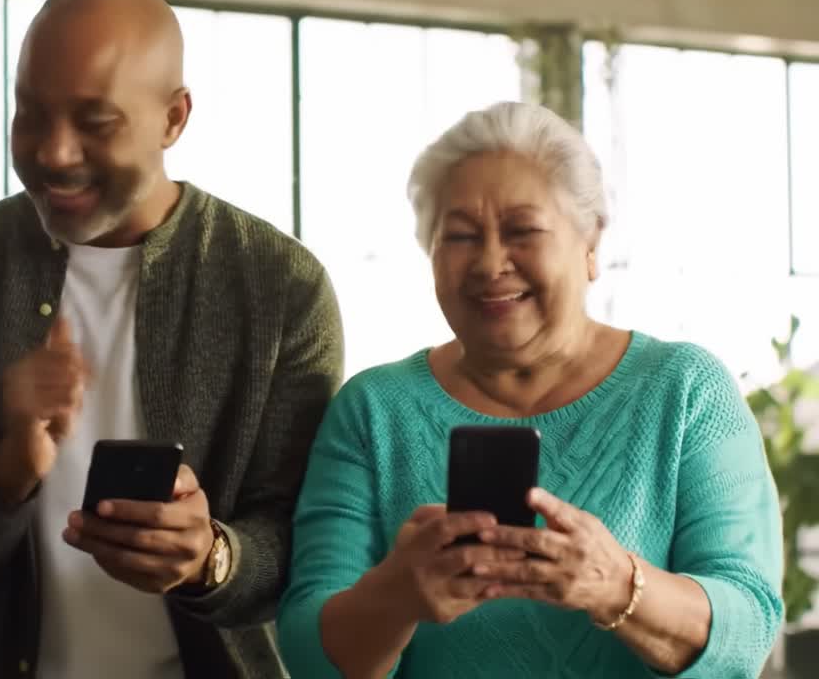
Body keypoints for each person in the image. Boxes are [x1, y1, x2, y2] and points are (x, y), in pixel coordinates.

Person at [0, 0, 344, 679]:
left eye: (94, 123)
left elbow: (307, 545)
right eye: (30, 113)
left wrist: (210, 556)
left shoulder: (280, 287)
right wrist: (6, 473)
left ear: (173, 119)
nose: (54, 152)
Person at [277, 100, 784, 679]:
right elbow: (305, 650)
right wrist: (396, 596)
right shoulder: (373, 410)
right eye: (460, 236)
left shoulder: (685, 391)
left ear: (590, 241)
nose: (491, 262)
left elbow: (749, 629)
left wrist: (618, 586)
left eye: (522, 230)